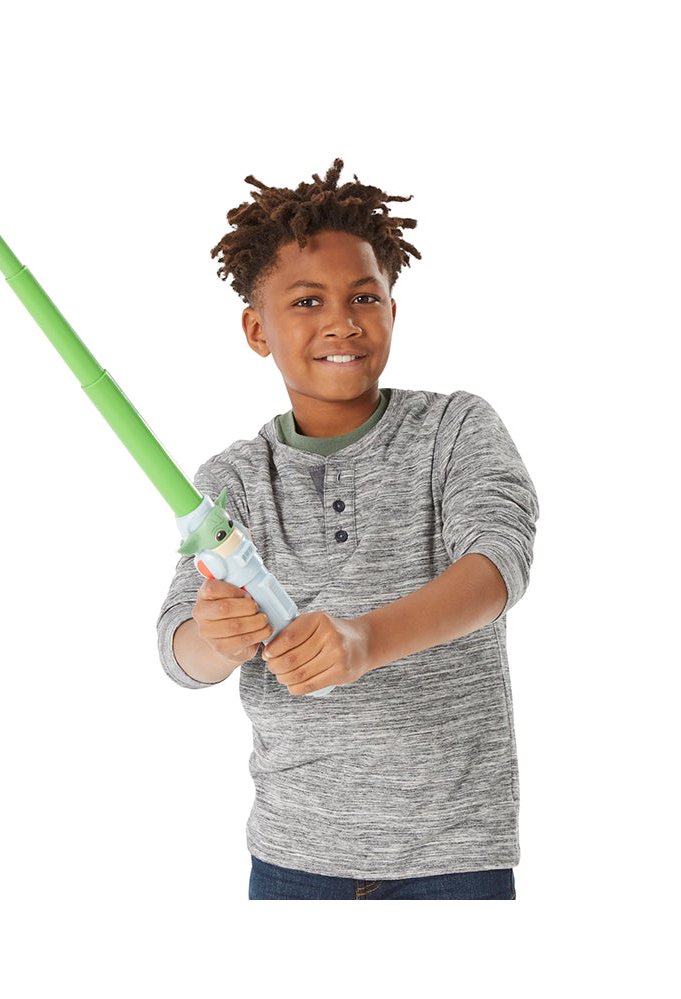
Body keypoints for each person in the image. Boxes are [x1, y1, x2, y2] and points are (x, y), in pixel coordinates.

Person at [156, 160, 538, 900]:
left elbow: (498, 564)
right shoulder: (232, 480)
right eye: (307, 301)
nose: (342, 321)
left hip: (453, 855)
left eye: (365, 296)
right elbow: (179, 650)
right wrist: (215, 637)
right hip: (292, 858)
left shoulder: (455, 428)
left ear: (393, 310)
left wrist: (365, 641)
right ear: (256, 329)